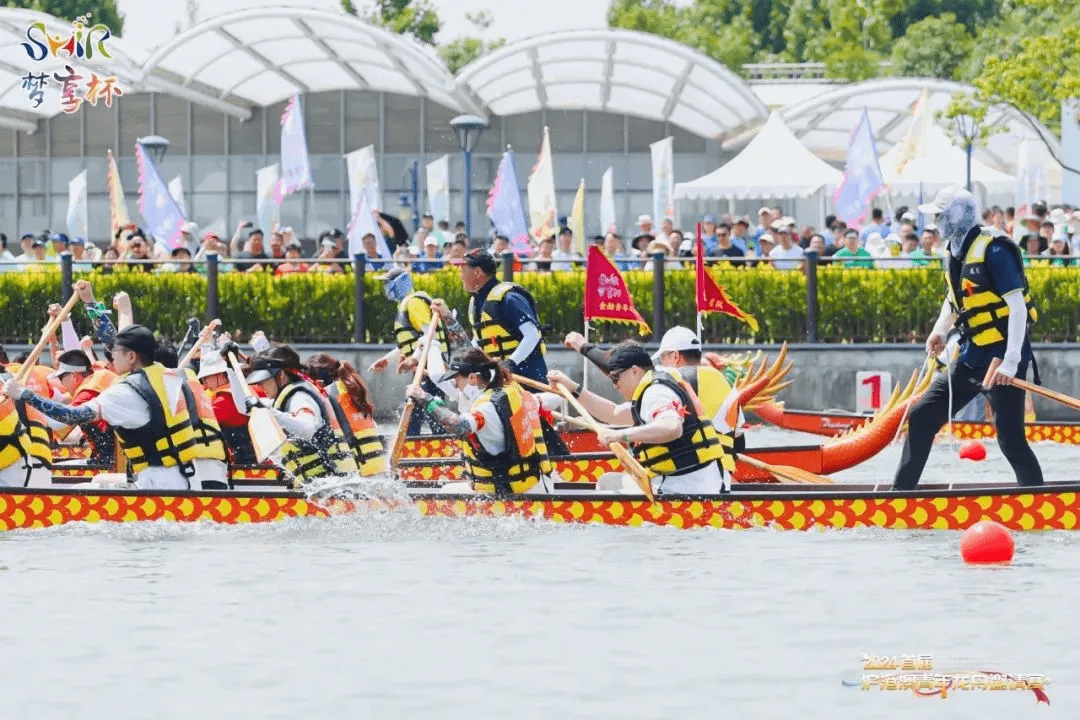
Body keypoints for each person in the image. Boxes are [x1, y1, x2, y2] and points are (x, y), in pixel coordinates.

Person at [892, 185, 1043, 491]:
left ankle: (1037, 497)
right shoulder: (955, 250)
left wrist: (1011, 362)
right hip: (972, 356)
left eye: (940, 215)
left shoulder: (995, 249)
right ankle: (900, 495)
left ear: (957, 215)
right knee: (921, 417)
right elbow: (954, 300)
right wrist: (939, 330)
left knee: (1010, 438)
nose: (935, 222)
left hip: (1001, 359)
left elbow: (1017, 309)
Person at [5, 325, 204, 490]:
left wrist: (24, 395)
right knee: (98, 480)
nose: (111, 357)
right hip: (185, 478)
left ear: (132, 357)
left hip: (155, 484)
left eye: (115, 352)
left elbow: (72, 416)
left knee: (75, 491)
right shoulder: (167, 376)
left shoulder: (127, 392)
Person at [549, 342, 727, 495]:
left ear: (634, 371)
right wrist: (572, 388)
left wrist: (619, 436)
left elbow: (672, 428)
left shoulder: (655, 392)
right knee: (609, 481)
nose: (614, 385)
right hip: (695, 481)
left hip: (687, 487)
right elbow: (614, 413)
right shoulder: (652, 388)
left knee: (606, 484)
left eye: (616, 377)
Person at [405, 348, 554, 496]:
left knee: (444, 493)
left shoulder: (486, 408)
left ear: (472, 378)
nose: (455, 385)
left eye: (456, 380)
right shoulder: (512, 390)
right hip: (533, 483)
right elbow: (547, 400)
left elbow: (458, 426)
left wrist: (426, 399)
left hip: (506, 491)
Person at [244, 345, 358, 485]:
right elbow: (243, 409)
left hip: (330, 485)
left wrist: (270, 413)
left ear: (281, 375)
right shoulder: (285, 397)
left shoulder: (300, 397)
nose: (259, 387)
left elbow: (308, 428)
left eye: (263, 381)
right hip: (322, 484)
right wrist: (230, 368)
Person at [369, 267, 452, 435]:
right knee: (416, 409)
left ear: (399, 283)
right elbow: (412, 340)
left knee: (430, 410)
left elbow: (430, 334)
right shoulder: (407, 304)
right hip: (422, 365)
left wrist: (413, 359)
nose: (386, 288)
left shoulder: (413, 302)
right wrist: (388, 359)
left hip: (430, 367)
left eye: (388, 283)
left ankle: (440, 449)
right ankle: (413, 447)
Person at [453, 249, 548, 384]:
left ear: (478, 272)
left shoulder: (510, 298)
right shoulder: (476, 302)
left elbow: (532, 335)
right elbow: (480, 341)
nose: (460, 275)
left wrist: (510, 363)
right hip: (500, 381)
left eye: (463, 270)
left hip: (527, 378)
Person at [307, 353, 386, 477]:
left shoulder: (326, 396)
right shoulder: (353, 388)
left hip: (360, 468)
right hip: (379, 464)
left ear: (317, 380)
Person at [46, 349, 120, 470]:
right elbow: (62, 400)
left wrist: (31, 411)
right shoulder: (97, 375)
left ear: (74, 376)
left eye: (60, 378)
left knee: (54, 470)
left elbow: (58, 425)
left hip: (113, 461)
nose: (62, 384)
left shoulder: (85, 396)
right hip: (122, 453)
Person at [197, 344, 257, 467]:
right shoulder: (244, 390)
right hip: (248, 462)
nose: (205, 385)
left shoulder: (224, 400)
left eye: (205, 379)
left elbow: (198, 419)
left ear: (219, 375)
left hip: (244, 466)